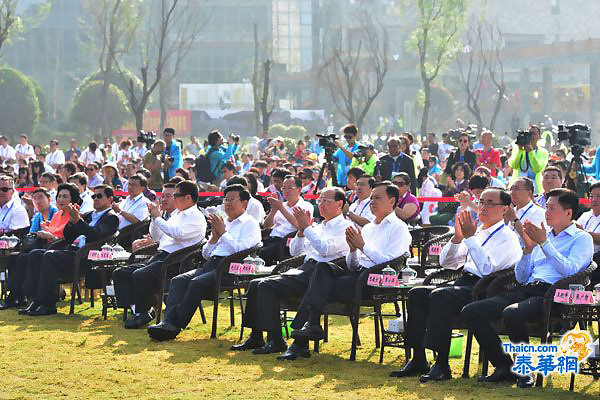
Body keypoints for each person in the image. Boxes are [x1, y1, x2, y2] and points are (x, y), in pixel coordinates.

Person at [462, 188, 594, 388]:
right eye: (546, 207)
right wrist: (528, 250)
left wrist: (544, 244)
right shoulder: (542, 234)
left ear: (568, 213)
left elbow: (570, 270)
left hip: (555, 296)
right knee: (472, 311)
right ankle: (504, 366)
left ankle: (524, 370)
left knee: (512, 313)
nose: (546, 212)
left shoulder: (581, 238)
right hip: (528, 291)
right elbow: (521, 277)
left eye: (552, 208)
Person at [390, 188, 522, 381]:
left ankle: (442, 363)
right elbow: (447, 263)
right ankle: (418, 358)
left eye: (489, 203)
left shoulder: (508, 238)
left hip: (487, 289)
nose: (482, 207)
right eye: (481, 201)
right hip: (464, 282)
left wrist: (469, 238)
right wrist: (458, 238)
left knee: (441, 296)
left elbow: (487, 270)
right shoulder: (478, 232)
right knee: (417, 293)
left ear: (504, 209)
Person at [282, 182, 410, 360]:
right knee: (321, 268)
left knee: (315, 286)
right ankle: (308, 328)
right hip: (357, 275)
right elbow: (353, 265)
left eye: (377, 198)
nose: (372, 201)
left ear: (392, 201)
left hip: (375, 281)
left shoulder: (399, 228)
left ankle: (301, 336)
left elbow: (389, 264)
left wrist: (362, 246)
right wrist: (353, 250)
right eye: (371, 198)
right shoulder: (369, 228)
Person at [232, 187, 351, 355]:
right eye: (320, 201)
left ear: (339, 204)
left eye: (326, 201)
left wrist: (307, 228)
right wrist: (302, 231)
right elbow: (295, 251)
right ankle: (256, 335)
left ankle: (275, 340)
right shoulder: (318, 226)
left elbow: (325, 250)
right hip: (305, 269)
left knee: (266, 285)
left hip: (321, 274)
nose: (321, 205)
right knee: (255, 284)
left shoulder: (345, 226)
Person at [146, 184, 260, 340]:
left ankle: (175, 325)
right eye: (225, 199)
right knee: (178, 281)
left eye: (232, 200)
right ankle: (168, 322)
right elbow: (206, 254)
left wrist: (223, 233)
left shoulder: (250, 223)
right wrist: (213, 239)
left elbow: (240, 250)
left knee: (196, 283)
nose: (227, 203)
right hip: (211, 264)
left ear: (244, 203)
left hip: (231, 269)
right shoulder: (224, 221)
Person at [113, 180, 207, 329]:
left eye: (176, 195)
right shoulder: (178, 215)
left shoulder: (195, 216)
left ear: (188, 198)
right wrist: (154, 219)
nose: (173, 199)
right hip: (162, 256)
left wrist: (158, 218)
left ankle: (143, 312)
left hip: (177, 262)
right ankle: (139, 310)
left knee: (140, 274)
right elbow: (157, 237)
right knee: (121, 272)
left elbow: (177, 234)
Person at [18, 184, 119, 316]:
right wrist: (71, 222)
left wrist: (78, 220)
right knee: (35, 254)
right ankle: (36, 299)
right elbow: (69, 236)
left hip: (86, 255)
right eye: (94, 196)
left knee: (49, 256)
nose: (95, 199)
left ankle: (48, 304)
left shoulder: (111, 217)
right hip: (71, 250)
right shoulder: (88, 215)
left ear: (111, 199)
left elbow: (96, 235)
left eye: (100, 196)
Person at [1, 184, 78, 310]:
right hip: (47, 246)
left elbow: (67, 237)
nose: (61, 199)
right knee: (14, 257)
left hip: (59, 250)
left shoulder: (73, 215)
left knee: (27, 256)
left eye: (65, 197)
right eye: (59, 196)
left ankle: (29, 297)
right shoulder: (57, 214)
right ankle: (16, 296)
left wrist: (50, 235)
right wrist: (48, 232)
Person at [259, 175, 313, 266]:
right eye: (284, 188)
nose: (286, 191)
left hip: (287, 242)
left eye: (290, 188)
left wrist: (280, 208)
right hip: (271, 238)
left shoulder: (306, 206)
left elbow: (299, 225)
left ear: (299, 190)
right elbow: (266, 226)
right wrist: (274, 210)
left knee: (264, 253)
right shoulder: (281, 204)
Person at [130, 182, 177, 252]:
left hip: (170, 248)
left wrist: (155, 242)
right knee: (136, 243)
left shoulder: (180, 214)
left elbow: (172, 236)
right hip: (159, 243)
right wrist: (154, 217)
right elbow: (155, 236)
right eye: (163, 196)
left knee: (139, 245)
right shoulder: (163, 212)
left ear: (177, 198)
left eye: (168, 196)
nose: (164, 199)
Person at [505, 177, 546, 248]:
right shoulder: (511, 211)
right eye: (511, 189)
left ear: (529, 192)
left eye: (516, 189)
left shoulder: (538, 212)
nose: (512, 192)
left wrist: (514, 220)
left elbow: (532, 242)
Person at [508, 125, 549, 195]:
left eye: (533, 134)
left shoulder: (543, 152)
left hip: (535, 188)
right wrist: (520, 150)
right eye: (529, 133)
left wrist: (531, 152)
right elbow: (513, 165)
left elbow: (538, 169)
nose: (531, 136)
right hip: (517, 186)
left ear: (539, 136)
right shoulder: (518, 149)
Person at [577, 182, 600, 284]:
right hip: (579, 257)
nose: (594, 200)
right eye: (591, 196)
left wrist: (583, 232)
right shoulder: (585, 215)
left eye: (599, 196)